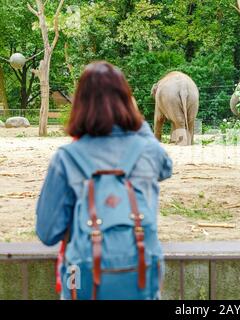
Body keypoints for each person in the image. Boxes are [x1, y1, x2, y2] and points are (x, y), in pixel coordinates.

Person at [36, 61, 172, 299]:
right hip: (141, 276)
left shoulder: (66, 159)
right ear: (126, 100)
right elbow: (166, 168)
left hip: (83, 280)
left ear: (80, 104)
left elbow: (47, 233)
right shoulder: (148, 151)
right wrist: (138, 123)